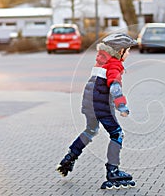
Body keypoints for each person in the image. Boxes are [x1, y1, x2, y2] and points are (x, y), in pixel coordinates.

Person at [56, 33, 137, 189]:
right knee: (117, 134)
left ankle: (70, 157)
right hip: (101, 105)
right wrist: (122, 106)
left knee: (91, 130)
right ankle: (113, 170)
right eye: (127, 50)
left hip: (89, 103)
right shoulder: (114, 64)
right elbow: (114, 86)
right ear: (119, 51)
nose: (129, 53)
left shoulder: (102, 62)